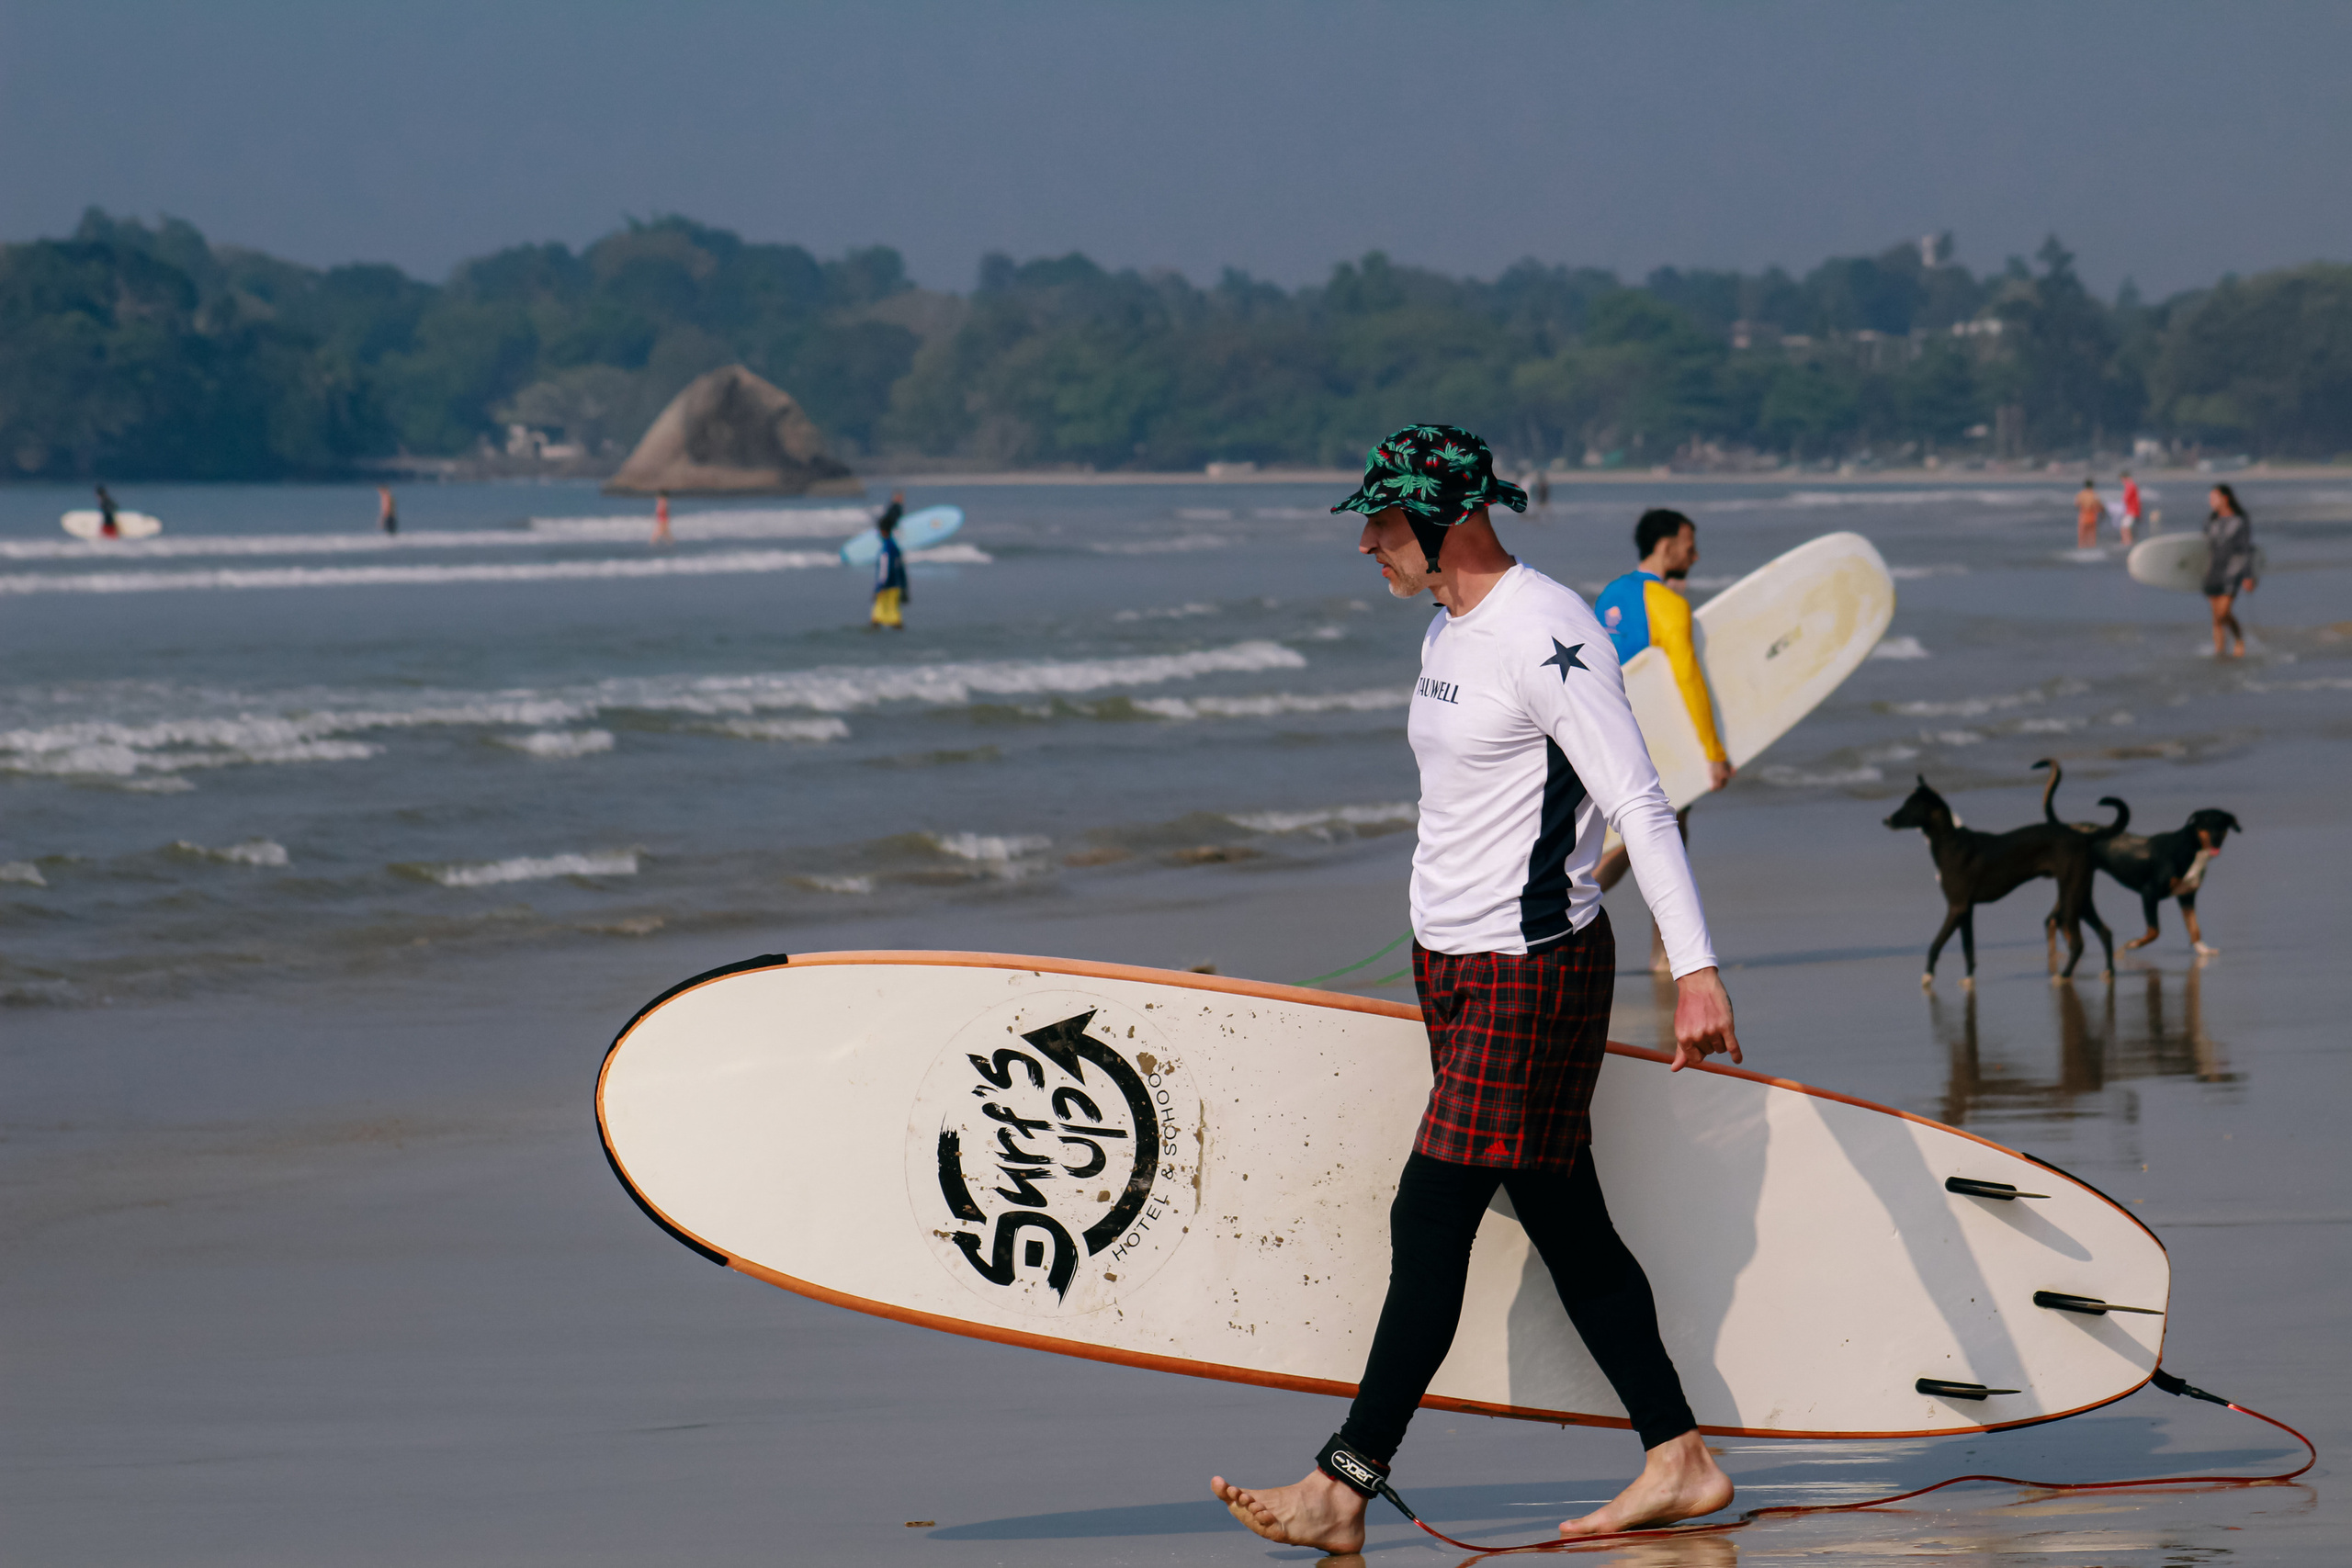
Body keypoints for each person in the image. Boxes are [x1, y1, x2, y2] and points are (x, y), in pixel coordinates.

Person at [1210, 424, 1743, 1552]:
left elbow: (1639, 801)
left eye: (1382, 523)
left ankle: (1341, 1484)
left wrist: (1693, 968)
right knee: (1564, 1218)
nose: (1366, 545)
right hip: (1454, 968)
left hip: (1530, 970)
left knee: (1432, 1210)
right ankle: (1679, 1456)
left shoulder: (1547, 633)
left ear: (1442, 521)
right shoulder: (1450, 629)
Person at [1591, 510, 1731, 971]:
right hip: (1661, 746)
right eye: (1689, 543)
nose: (1694, 554)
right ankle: (1563, 912)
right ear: (1667, 545)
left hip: (1609, 736)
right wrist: (1713, 753)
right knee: (1648, 843)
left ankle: (1664, 954)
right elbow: (1688, 680)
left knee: (1663, 838)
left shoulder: (1610, 594)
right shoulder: (1668, 606)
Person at [2203, 483, 2256, 660]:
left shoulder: (2240, 521)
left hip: (2233, 572)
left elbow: (2246, 549)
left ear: (2225, 498)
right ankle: (2220, 651)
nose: (2210, 502)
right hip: (2213, 572)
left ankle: (2239, 639)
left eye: (2213, 498)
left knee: (2223, 612)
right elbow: (2202, 547)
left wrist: (2248, 575)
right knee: (2216, 618)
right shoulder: (2211, 521)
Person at [870, 491, 908, 631]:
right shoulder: (895, 547)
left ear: (882, 531)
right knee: (895, 616)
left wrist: (879, 587)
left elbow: (884, 569)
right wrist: (904, 586)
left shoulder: (886, 549)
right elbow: (901, 568)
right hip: (897, 585)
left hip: (887, 585)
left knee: (877, 616)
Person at [2075, 479, 2102, 548]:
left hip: (2083, 515)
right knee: (2092, 536)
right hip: (2092, 515)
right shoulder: (2095, 495)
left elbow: (2076, 504)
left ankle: (2081, 549)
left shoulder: (2081, 494)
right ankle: (2092, 550)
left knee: (2082, 536)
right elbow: (2099, 506)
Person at [2118, 470, 2143, 546]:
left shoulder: (2130, 486)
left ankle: (2127, 542)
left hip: (2131, 511)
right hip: (2131, 511)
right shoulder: (2132, 485)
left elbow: (2126, 498)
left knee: (2125, 527)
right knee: (2126, 527)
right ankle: (2128, 542)